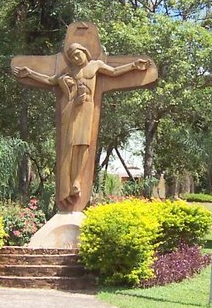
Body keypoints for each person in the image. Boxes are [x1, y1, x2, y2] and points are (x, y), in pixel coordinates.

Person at [13, 43, 149, 209]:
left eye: (78, 54)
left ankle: (77, 180)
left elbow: (114, 72)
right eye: (72, 57)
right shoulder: (70, 71)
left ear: (85, 52)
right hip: (73, 109)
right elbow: (50, 80)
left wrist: (133, 66)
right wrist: (30, 73)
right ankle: (67, 183)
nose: (76, 59)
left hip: (87, 108)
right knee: (70, 146)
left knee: (83, 145)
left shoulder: (96, 65)